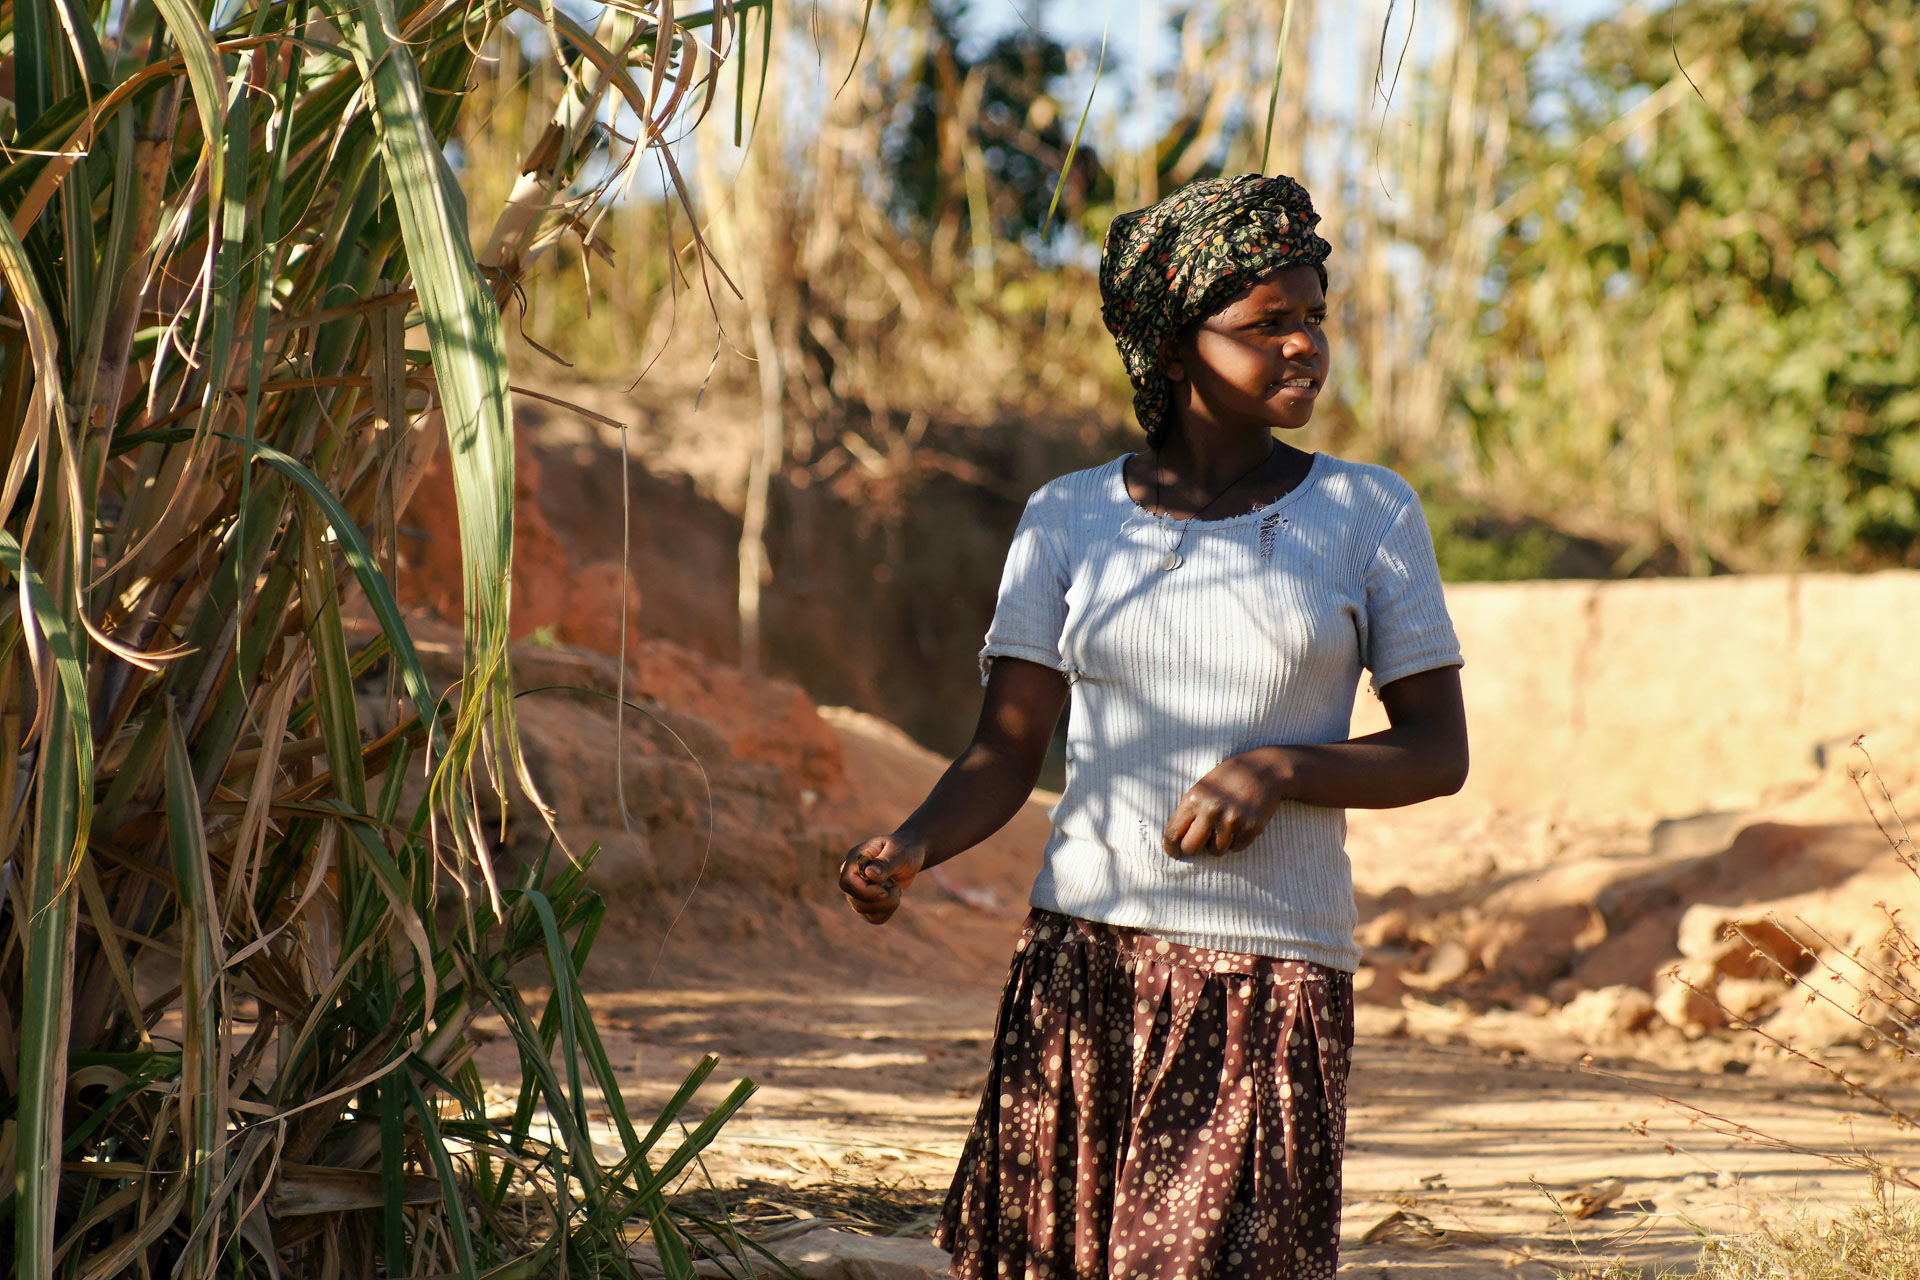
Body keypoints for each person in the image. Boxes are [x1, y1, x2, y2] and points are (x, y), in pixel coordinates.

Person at [837, 174, 1469, 1280]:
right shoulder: (1069, 516)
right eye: (1268, 322)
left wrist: (1279, 766)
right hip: (1084, 967)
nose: (1304, 346)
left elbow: (1436, 751)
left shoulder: (1369, 512)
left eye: (1315, 316)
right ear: (1176, 346)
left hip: (1265, 978)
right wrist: (912, 846)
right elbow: (1006, 748)